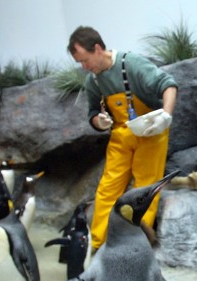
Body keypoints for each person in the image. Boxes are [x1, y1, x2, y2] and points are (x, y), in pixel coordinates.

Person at [67, 26, 178, 251]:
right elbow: (92, 113)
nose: (84, 67)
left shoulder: (131, 64)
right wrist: (99, 121)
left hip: (151, 132)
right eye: (80, 63)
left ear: (98, 49)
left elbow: (168, 85)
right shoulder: (93, 81)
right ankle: (99, 244)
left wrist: (166, 114)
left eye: (85, 60)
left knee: (145, 190)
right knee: (108, 188)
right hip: (120, 134)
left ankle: (138, 246)